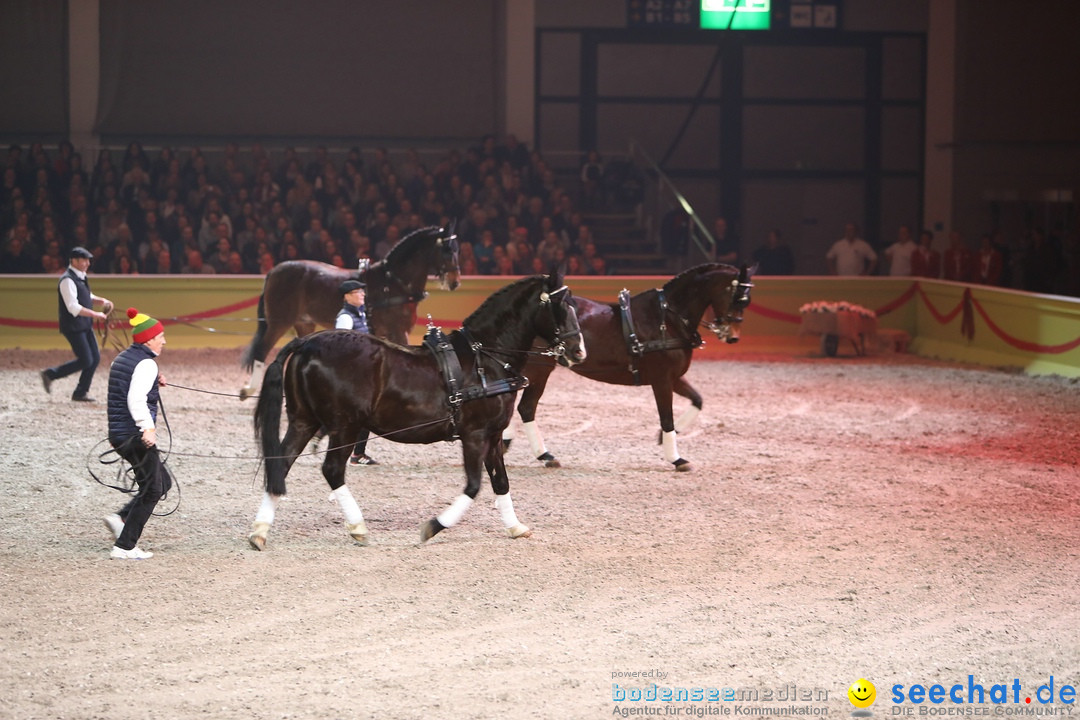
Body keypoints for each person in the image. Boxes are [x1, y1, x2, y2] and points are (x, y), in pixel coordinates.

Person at [103, 307, 170, 559]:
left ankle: (120, 518)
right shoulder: (146, 364)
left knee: (162, 482)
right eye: (160, 335)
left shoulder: (124, 358)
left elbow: (129, 385)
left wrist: (154, 381)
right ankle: (124, 546)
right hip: (135, 434)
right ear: (149, 339)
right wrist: (148, 428)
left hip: (119, 434)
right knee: (153, 489)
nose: (164, 340)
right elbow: (135, 399)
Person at [40, 246, 113, 402]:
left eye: (88, 260)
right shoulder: (67, 280)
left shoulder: (80, 277)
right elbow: (73, 307)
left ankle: (81, 392)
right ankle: (51, 374)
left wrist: (101, 301)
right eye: (84, 260)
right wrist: (96, 314)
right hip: (73, 326)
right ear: (74, 261)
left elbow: (86, 295)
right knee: (86, 360)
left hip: (84, 324)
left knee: (95, 358)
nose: (87, 263)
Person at [336, 280, 379, 466]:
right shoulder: (345, 317)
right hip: (352, 374)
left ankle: (358, 453)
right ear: (347, 296)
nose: (362, 294)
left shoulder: (360, 314)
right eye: (358, 292)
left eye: (362, 291)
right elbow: (341, 347)